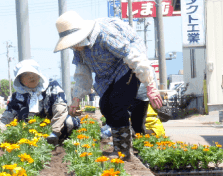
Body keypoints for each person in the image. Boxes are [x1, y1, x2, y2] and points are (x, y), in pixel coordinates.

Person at [54, 11, 162, 160]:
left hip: (126, 66)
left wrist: (150, 84)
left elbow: (132, 55)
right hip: (106, 75)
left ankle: (122, 152)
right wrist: (76, 99)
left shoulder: (105, 34)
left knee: (117, 106)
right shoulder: (78, 48)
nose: (73, 46)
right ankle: (121, 145)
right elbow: (82, 72)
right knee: (105, 106)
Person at [0, 59, 79, 145]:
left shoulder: (52, 87)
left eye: (33, 73)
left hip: (55, 127)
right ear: (20, 80)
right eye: (25, 75)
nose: (31, 76)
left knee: (69, 122)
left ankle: (63, 142)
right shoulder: (17, 96)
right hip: (31, 131)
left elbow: (60, 110)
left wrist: (54, 132)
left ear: (38, 74)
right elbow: (6, 117)